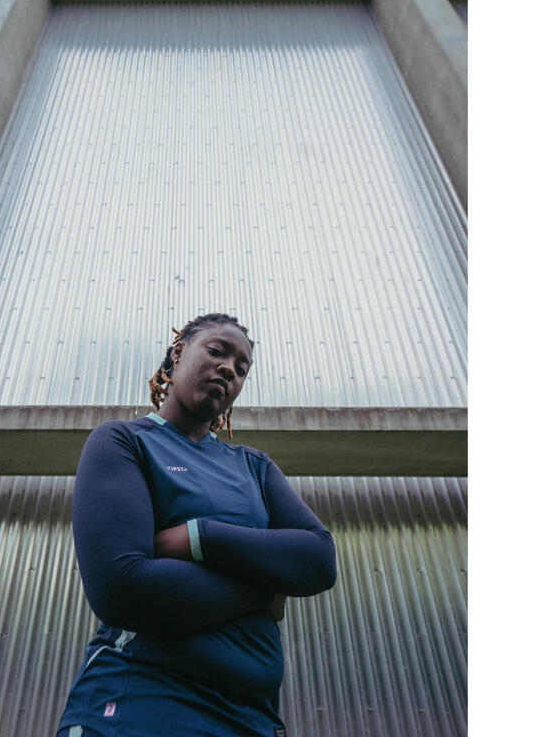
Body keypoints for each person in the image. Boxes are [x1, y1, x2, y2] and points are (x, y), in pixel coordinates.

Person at [55, 313, 337, 737]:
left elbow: (319, 559)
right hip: (141, 706)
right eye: (217, 351)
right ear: (179, 352)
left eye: (242, 369)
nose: (229, 368)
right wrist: (266, 586)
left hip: (251, 719)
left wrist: (198, 537)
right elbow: (123, 588)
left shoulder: (254, 467)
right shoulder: (124, 442)